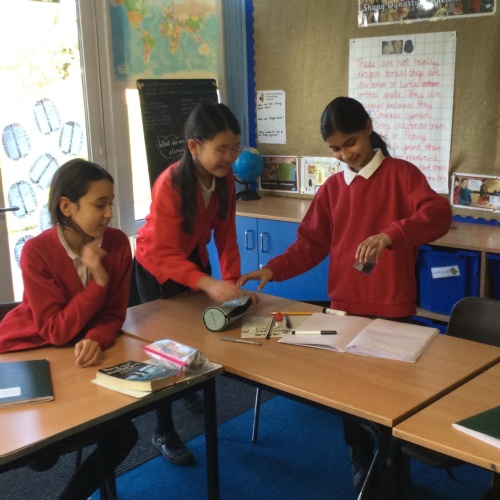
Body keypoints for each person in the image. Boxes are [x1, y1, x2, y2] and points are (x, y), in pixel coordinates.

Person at [238, 96, 452, 493]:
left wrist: (393, 234)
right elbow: (310, 244)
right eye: (335, 149)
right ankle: (360, 458)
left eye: (350, 142)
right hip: (344, 310)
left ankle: (396, 467)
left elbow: (438, 214)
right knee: (351, 398)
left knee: (393, 398)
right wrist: (274, 268)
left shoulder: (402, 175)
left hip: (392, 308)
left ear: (368, 128)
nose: (345, 155)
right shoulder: (333, 188)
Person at [0, 159, 138, 500]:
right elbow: (55, 331)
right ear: (66, 206)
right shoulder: (36, 251)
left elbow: (114, 314)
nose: (109, 214)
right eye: (99, 205)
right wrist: (98, 281)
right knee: (41, 454)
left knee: (123, 434)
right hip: (27, 352)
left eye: (111, 203)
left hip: (77, 357)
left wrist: (96, 337)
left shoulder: (118, 244)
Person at [129, 102, 255, 466]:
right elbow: (165, 254)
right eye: (221, 149)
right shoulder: (169, 184)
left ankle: (187, 388)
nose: (230, 157)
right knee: (164, 349)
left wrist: (230, 285)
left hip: (193, 259)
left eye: (234, 148)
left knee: (197, 335)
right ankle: (163, 430)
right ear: (195, 147)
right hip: (156, 267)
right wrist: (208, 284)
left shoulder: (225, 178)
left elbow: (226, 237)